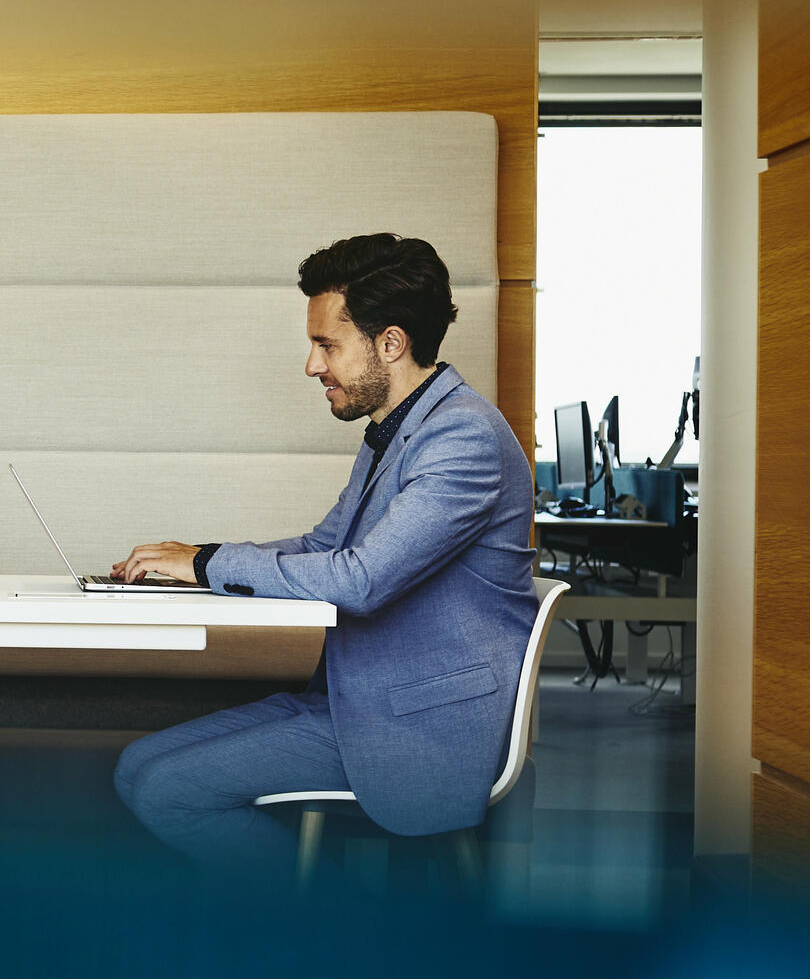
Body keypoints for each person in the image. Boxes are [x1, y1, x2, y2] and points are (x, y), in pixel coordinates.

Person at [109, 233, 536, 871]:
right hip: (356, 697)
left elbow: (361, 580)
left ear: (391, 343)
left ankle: (328, 931)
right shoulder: (397, 428)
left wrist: (204, 565)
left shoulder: (462, 437)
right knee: (135, 765)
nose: (313, 366)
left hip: (419, 722)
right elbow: (323, 547)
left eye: (326, 344)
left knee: (165, 789)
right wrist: (196, 559)